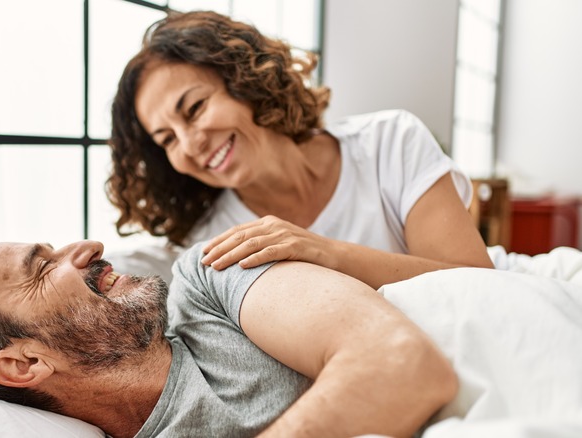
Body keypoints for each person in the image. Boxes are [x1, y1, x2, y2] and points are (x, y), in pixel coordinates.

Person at [0, 239, 457, 438]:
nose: (89, 246)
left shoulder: (211, 277)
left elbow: (403, 365)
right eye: (44, 267)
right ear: (24, 364)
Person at [107, 10, 493, 289]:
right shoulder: (214, 246)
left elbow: (477, 285)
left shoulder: (389, 142)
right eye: (168, 140)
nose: (190, 145)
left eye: (194, 109)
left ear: (245, 81)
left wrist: (326, 253)